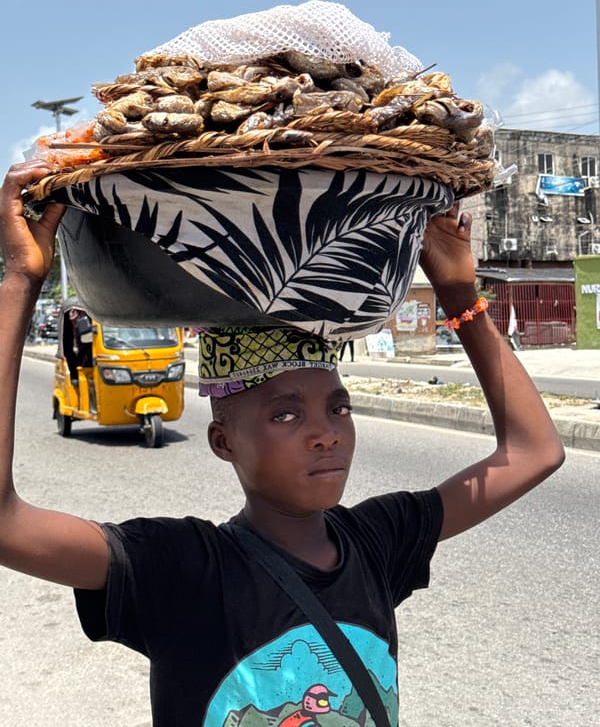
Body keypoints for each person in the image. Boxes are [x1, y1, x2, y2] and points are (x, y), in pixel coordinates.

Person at [0, 160, 565, 726]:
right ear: (223, 442)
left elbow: (534, 451)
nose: (325, 433)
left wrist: (458, 294)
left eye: (338, 407)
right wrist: (22, 279)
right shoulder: (183, 569)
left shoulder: (378, 541)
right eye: (285, 413)